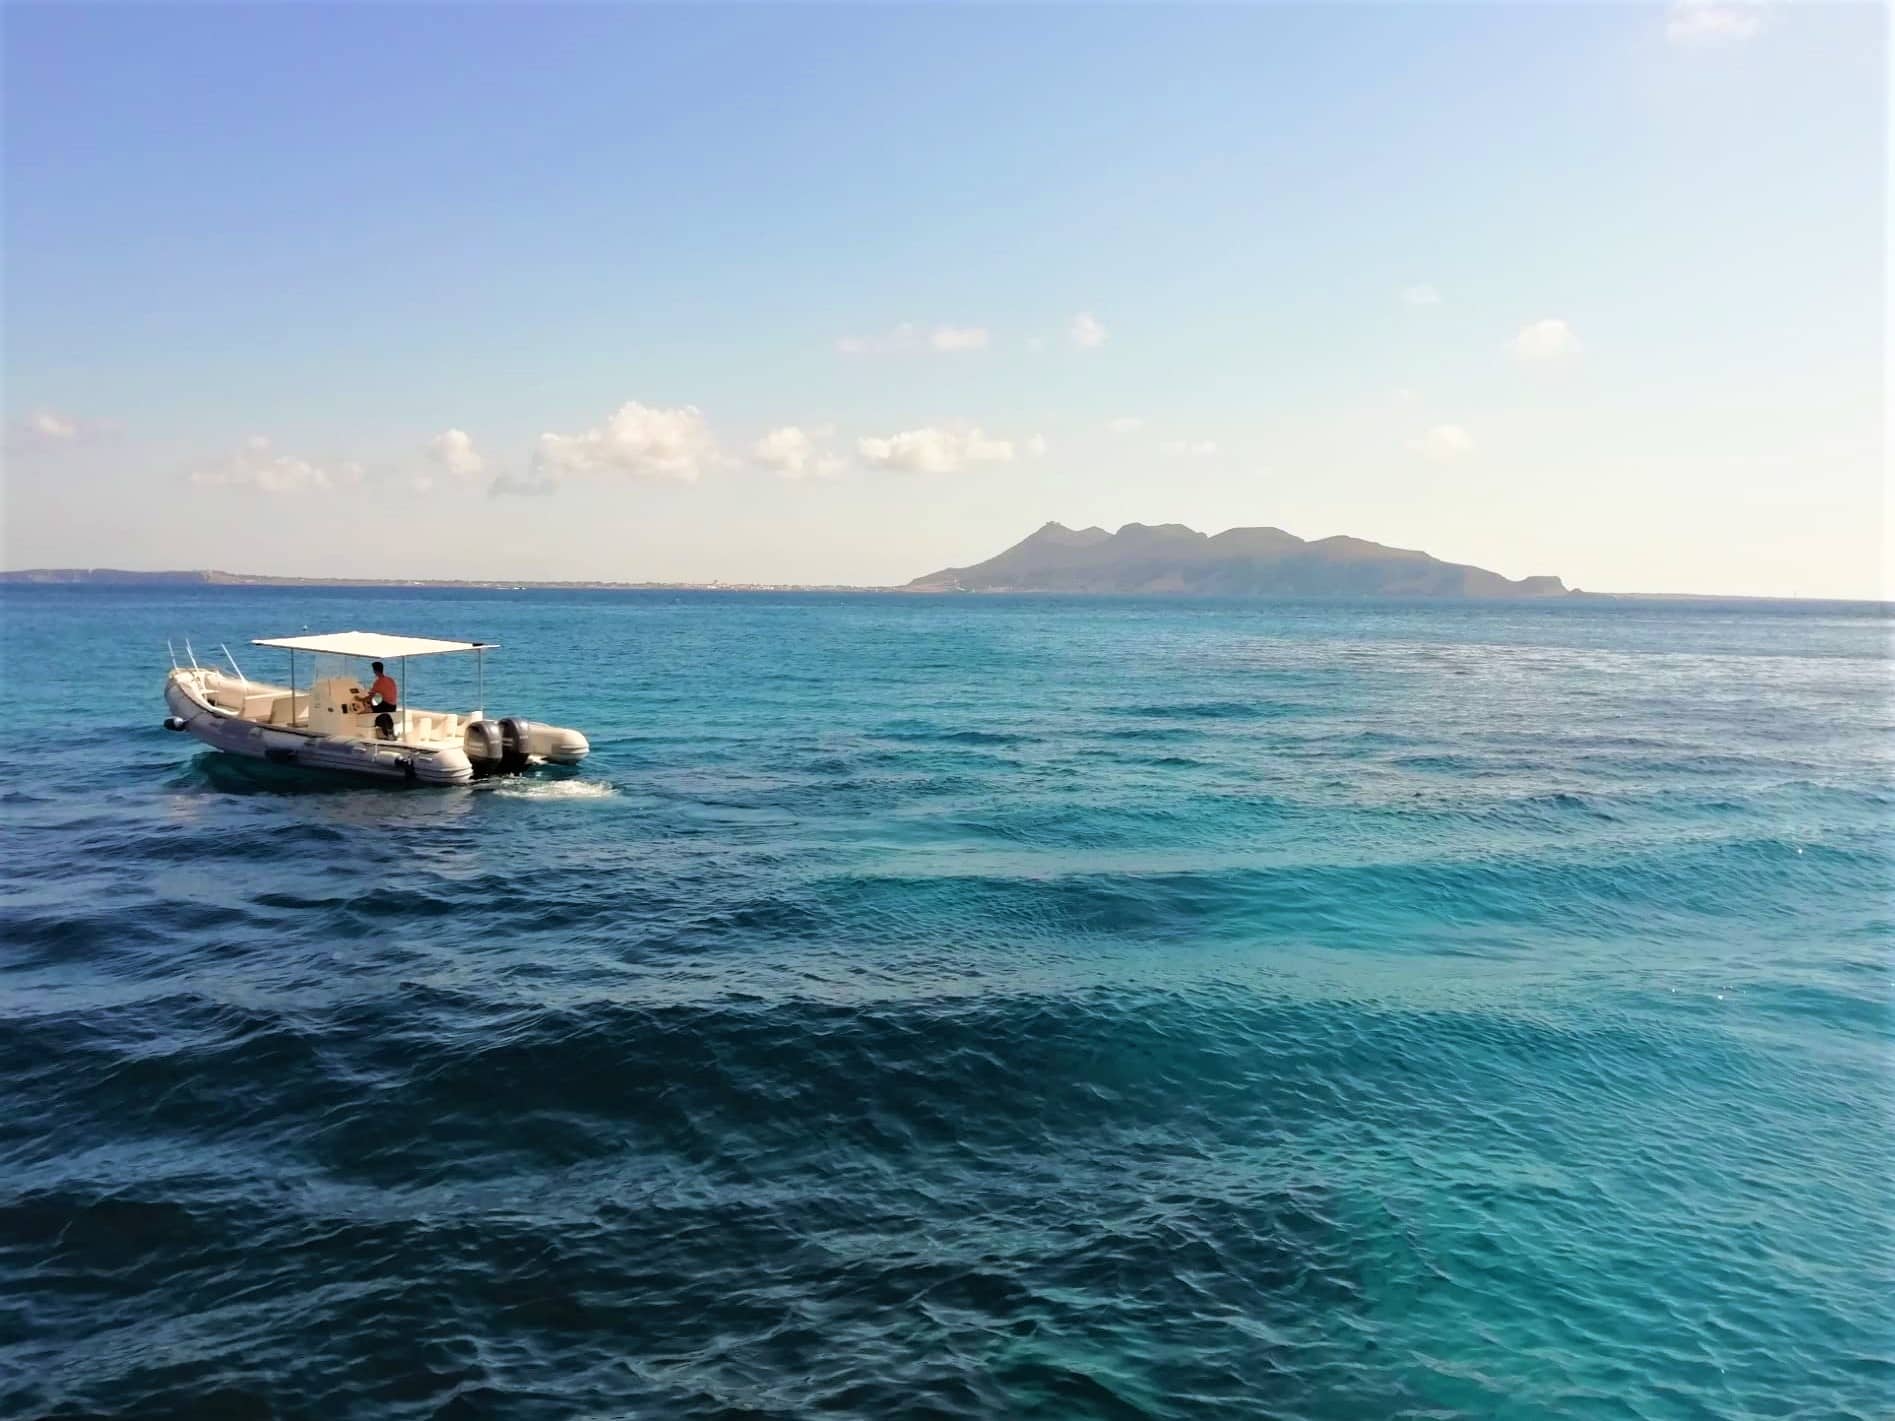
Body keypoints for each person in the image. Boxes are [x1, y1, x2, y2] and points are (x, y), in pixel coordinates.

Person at [362, 660, 399, 738]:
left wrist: (360, 699)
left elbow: (370, 697)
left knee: (369, 705)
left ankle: (386, 732)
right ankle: (388, 731)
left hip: (386, 707)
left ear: (375, 671)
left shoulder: (378, 682)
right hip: (393, 706)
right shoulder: (390, 679)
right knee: (375, 702)